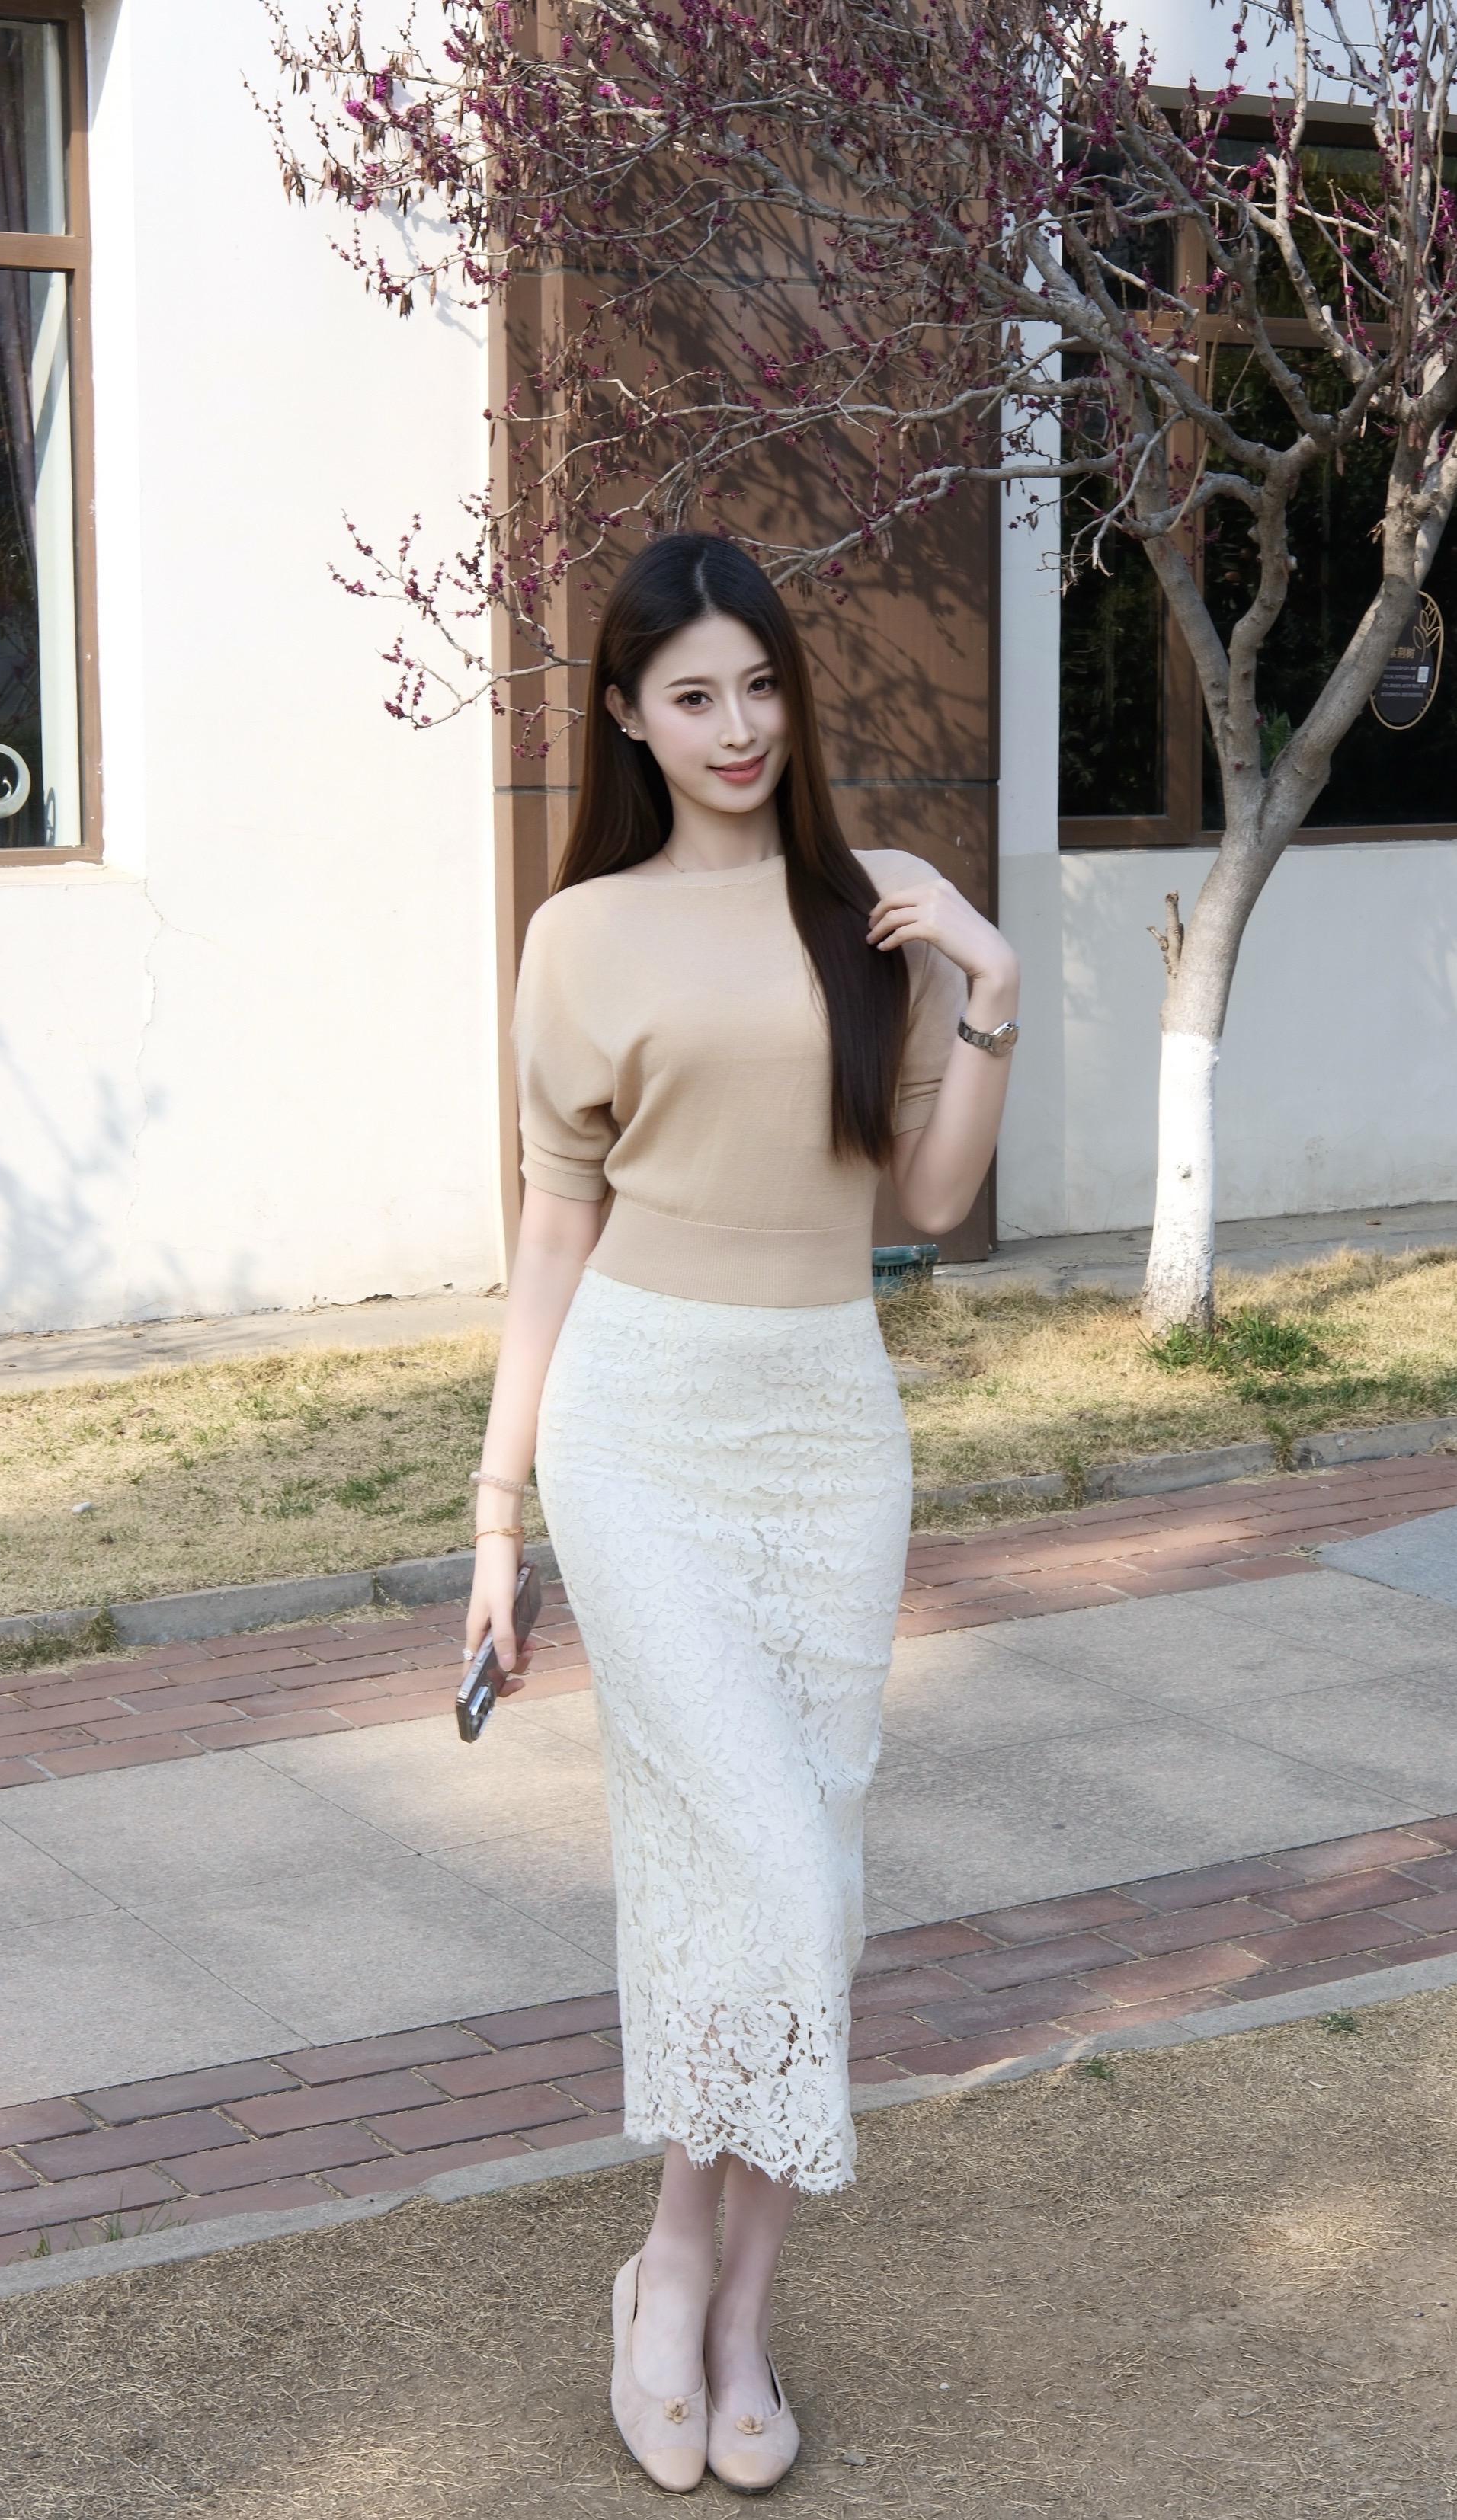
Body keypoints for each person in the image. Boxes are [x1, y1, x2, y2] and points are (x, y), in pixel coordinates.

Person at [465, 532, 1019, 2493]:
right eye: (693, 693)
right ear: (625, 713)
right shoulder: (579, 936)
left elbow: (929, 1199)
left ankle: (726, 2311)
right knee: (764, 1866)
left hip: (828, 1437)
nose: (737, 725)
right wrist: (498, 1518)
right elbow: (551, 1233)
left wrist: (989, 981)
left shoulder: (870, 905)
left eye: (762, 685)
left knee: (809, 1884)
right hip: (639, 1430)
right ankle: (672, 2258)